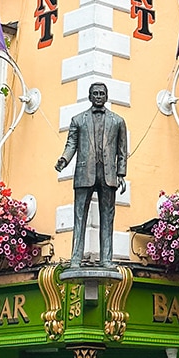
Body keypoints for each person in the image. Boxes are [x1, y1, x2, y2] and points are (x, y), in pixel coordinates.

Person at [56, 81, 129, 269]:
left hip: (108, 175)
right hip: (84, 173)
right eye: (95, 93)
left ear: (106, 96)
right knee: (79, 217)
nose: (98, 96)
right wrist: (64, 160)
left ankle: (106, 259)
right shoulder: (78, 120)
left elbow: (122, 150)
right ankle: (75, 259)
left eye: (101, 93)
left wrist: (121, 174)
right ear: (90, 96)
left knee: (108, 218)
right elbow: (71, 144)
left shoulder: (118, 121)